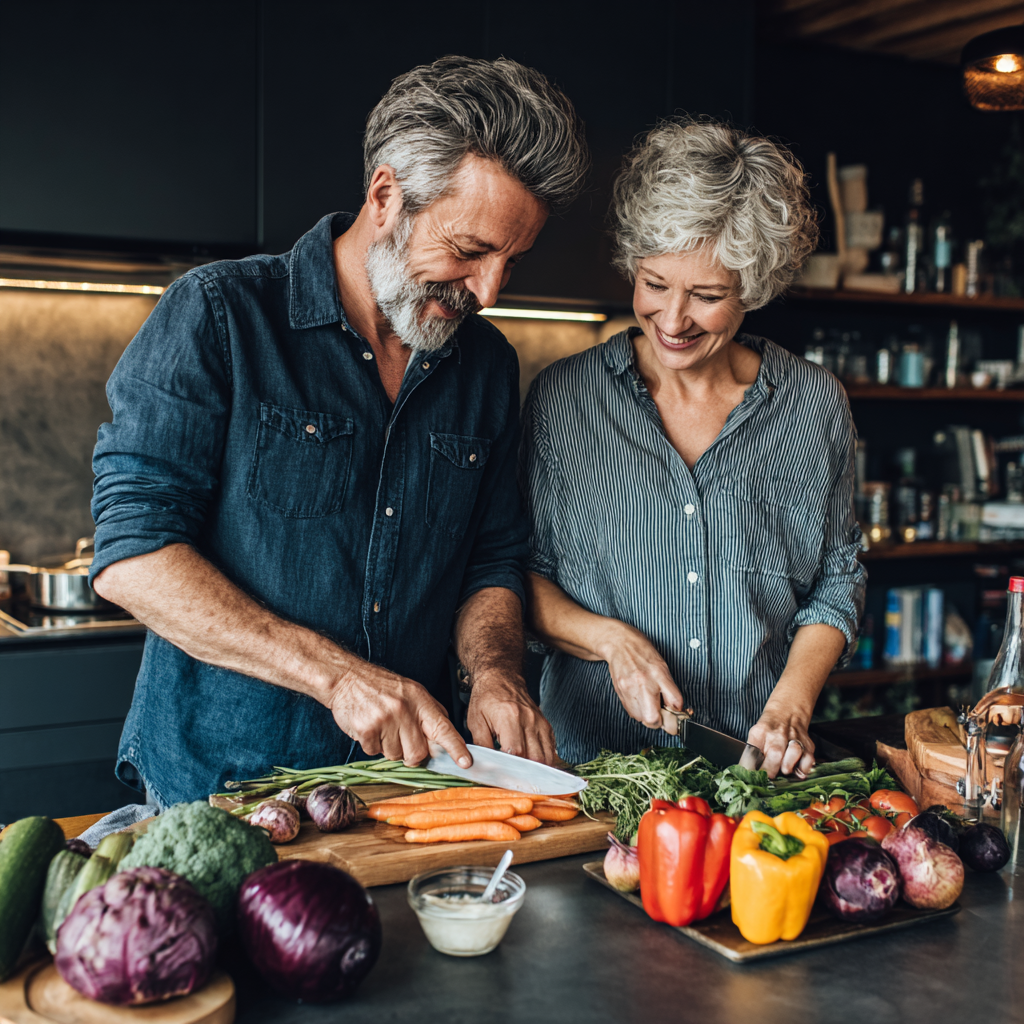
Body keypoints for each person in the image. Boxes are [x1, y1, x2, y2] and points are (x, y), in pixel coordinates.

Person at [90, 56, 590, 807]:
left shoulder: (484, 365)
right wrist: (338, 677)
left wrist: (495, 672)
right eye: (469, 251)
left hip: (406, 793)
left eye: (510, 263)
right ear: (386, 197)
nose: (488, 290)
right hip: (225, 791)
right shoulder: (222, 315)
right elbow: (132, 554)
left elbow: (490, 559)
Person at [521, 118, 865, 779]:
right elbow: (517, 573)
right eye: (654, 284)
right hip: (593, 777)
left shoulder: (813, 406)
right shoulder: (565, 400)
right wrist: (608, 642)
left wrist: (792, 704)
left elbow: (837, 580)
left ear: (753, 288)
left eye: (706, 296)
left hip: (750, 776)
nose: (672, 321)